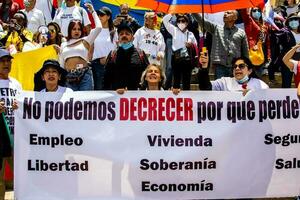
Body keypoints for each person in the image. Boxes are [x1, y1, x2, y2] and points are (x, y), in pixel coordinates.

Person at [192, 11, 249, 79]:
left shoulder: (241, 32)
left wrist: (247, 67)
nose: (225, 14)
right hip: (220, 66)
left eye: (228, 13)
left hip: (236, 66)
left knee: (234, 88)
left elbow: (245, 52)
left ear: (235, 17)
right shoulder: (216, 28)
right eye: (225, 13)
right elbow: (201, 20)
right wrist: (193, 10)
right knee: (220, 88)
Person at [59, 3, 101, 91]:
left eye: (79, 29)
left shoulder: (86, 40)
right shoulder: (63, 44)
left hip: (85, 76)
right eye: (74, 29)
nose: (76, 31)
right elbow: (61, 66)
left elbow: (98, 28)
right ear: (69, 31)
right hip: (69, 77)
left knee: (86, 103)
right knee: (71, 103)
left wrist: (93, 12)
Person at [103, 22, 149, 94]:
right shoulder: (113, 54)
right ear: (118, 38)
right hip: (116, 97)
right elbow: (106, 77)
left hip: (136, 96)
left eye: (127, 34)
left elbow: (147, 74)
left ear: (133, 38)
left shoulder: (141, 53)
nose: (124, 36)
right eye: (121, 34)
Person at [0, 48, 22, 199]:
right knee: (0, 179)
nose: (6, 64)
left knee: (21, 177)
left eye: (8, 61)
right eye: (2, 61)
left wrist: (19, 106)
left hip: (17, 136)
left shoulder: (17, 84)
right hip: (0, 137)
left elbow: (24, 106)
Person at [198, 52, 269, 93]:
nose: (237, 68)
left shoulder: (261, 85)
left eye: (241, 66)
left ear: (249, 71)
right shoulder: (224, 82)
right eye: (235, 67)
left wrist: (254, 96)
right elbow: (205, 87)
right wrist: (203, 67)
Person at [162, 13, 197, 94]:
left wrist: (191, 44)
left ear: (187, 23)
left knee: (186, 82)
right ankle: (176, 101)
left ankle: (187, 100)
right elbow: (164, 20)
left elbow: (196, 46)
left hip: (187, 60)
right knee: (176, 82)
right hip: (176, 59)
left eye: (183, 21)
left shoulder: (190, 34)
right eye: (179, 21)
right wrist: (172, 13)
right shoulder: (174, 30)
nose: (181, 22)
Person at [91, 6, 117, 90]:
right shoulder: (93, 31)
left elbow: (118, 48)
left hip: (111, 64)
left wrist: (109, 58)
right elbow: (90, 50)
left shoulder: (115, 31)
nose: (99, 17)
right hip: (96, 65)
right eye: (98, 14)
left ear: (108, 17)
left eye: (102, 14)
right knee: (98, 90)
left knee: (111, 90)